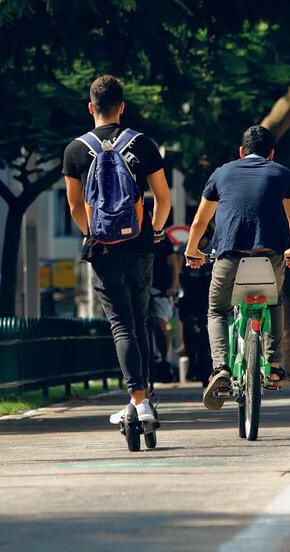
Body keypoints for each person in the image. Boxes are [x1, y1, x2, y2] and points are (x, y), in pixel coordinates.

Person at [62, 75, 171, 425]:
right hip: (140, 245)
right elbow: (163, 199)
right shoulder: (142, 143)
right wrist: (153, 232)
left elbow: (76, 207)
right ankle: (146, 397)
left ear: (90, 108)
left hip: (103, 249)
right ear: (122, 107)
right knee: (139, 321)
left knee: (121, 326)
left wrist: (93, 233)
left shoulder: (76, 150)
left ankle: (137, 400)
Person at [184, 125, 290, 410]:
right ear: (271, 154)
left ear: (241, 152)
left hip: (229, 257)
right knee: (274, 301)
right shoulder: (282, 173)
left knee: (217, 309)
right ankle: (274, 365)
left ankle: (221, 369)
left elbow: (201, 222)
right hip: (270, 256)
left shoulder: (221, 173)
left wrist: (192, 250)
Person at [148, 202, 181, 382]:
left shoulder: (163, 238)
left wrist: (173, 287)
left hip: (161, 289)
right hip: (142, 288)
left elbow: (173, 265)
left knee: (160, 323)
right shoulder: (134, 235)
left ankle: (164, 358)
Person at [177, 228, 213, 387]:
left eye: (200, 239)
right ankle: (190, 357)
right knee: (186, 321)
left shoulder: (214, 249)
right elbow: (178, 265)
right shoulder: (188, 247)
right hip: (191, 293)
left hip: (208, 294)